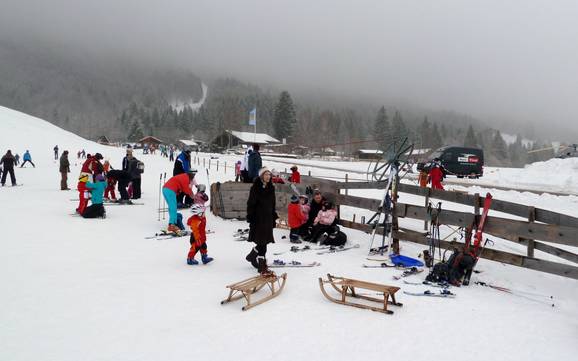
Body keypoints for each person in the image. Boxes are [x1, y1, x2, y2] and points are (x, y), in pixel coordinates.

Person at [245, 167, 278, 274]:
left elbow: (273, 204)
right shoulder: (255, 188)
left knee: (264, 241)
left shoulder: (271, 188)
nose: (268, 176)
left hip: (268, 218)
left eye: (269, 174)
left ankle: (252, 255)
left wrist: (273, 216)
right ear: (261, 176)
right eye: (266, 174)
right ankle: (261, 267)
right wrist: (250, 216)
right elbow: (251, 203)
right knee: (262, 242)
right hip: (258, 218)